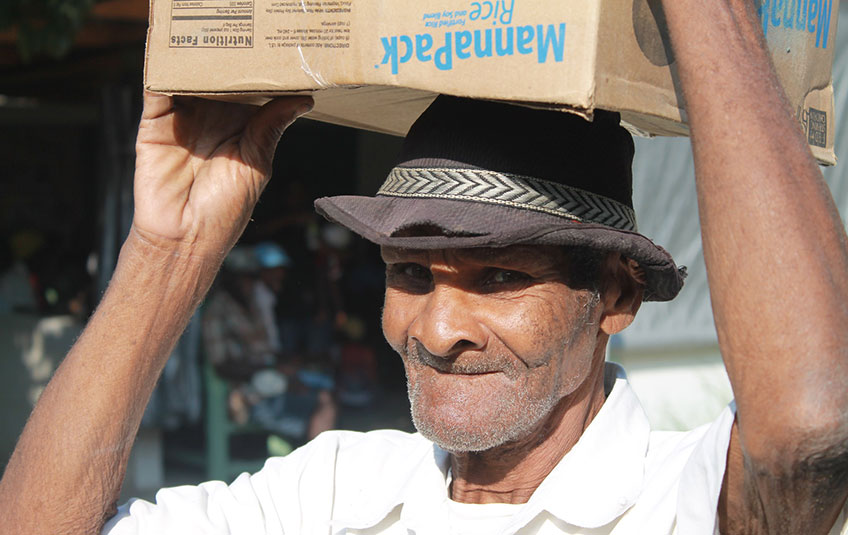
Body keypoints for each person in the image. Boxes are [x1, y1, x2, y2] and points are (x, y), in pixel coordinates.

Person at [1, 2, 847, 534]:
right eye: (411, 275)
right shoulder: (333, 492)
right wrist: (168, 251)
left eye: (501, 278)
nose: (436, 330)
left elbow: (810, 428)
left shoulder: (680, 498)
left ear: (614, 295)